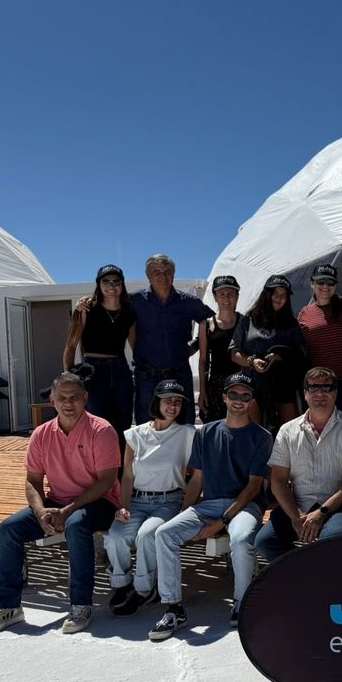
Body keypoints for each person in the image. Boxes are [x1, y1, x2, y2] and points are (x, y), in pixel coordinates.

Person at [0, 371, 120, 636]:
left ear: (85, 398)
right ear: (52, 401)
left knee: (76, 524)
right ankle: (8, 607)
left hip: (100, 502)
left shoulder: (102, 431)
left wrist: (67, 511)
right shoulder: (42, 434)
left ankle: (81, 605)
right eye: (62, 398)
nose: (68, 403)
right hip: (56, 502)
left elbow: (106, 481)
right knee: (9, 528)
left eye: (74, 397)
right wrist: (41, 511)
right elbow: (32, 481)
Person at [150, 372, 273, 640]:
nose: (239, 400)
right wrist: (185, 513)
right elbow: (197, 479)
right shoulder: (206, 432)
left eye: (245, 395)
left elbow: (253, 487)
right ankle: (173, 609)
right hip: (209, 505)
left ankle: (242, 602)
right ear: (224, 397)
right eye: (233, 394)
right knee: (164, 533)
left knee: (240, 538)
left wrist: (222, 522)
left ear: (252, 400)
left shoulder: (262, 437)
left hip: (246, 506)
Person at [254, 367, 342, 562]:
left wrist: (322, 512)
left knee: (330, 541)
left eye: (327, 388)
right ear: (305, 393)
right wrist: (295, 516)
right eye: (314, 387)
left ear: (336, 392)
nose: (320, 393)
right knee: (265, 541)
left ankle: (317, 577)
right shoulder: (287, 430)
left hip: (338, 506)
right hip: (299, 506)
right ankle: (300, 574)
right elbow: (278, 480)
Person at [78, 254, 213, 426]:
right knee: (146, 428)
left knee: (184, 427)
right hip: (147, 377)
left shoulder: (189, 302)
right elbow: (109, 302)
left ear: (174, 274)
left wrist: (194, 346)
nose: (163, 276)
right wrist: (85, 301)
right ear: (148, 275)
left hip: (179, 375)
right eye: (157, 272)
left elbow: (209, 323)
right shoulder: (134, 301)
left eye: (167, 271)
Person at [103, 379, 195, 617]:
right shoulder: (136, 434)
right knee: (115, 536)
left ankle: (144, 589)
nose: (173, 406)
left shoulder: (187, 434)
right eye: (168, 401)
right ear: (157, 402)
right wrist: (123, 507)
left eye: (177, 402)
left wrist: (187, 507)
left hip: (169, 501)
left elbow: (196, 474)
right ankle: (122, 584)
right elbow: (127, 476)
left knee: (146, 535)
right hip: (137, 501)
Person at [62, 264, 136, 452]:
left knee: (123, 424)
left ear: (122, 285)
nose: (111, 285)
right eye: (106, 281)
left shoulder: (129, 312)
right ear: (99, 284)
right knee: (97, 424)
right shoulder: (86, 309)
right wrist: (68, 378)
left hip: (120, 369)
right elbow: (71, 345)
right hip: (93, 370)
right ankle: (98, 467)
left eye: (116, 281)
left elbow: (135, 346)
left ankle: (120, 469)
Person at [230, 274, 305, 429]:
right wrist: (252, 362)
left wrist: (279, 356)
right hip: (253, 385)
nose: (279, 298)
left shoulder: (291, 323)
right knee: (254, 432)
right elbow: (234, 353)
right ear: (266, 294)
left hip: (284, 385)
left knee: (290, 431)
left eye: (283, 295)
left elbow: (302, 353)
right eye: (275, 293)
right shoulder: (248, 320)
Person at [298, 263, 342, 412]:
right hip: (320, 385)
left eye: (330, 282)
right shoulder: (305, 313)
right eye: (320, 281)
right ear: (312, 283)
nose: (325, 286)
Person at [197, 275, 243, 424]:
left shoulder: (244, 322)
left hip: (240, 383)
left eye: (231, 294)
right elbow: (203, 360)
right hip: (215, 385)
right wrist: (202, 391)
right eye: (222, 294)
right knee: (214, 426)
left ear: (237, 296)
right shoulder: (206, 324)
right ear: (215, 297)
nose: (226, 299)